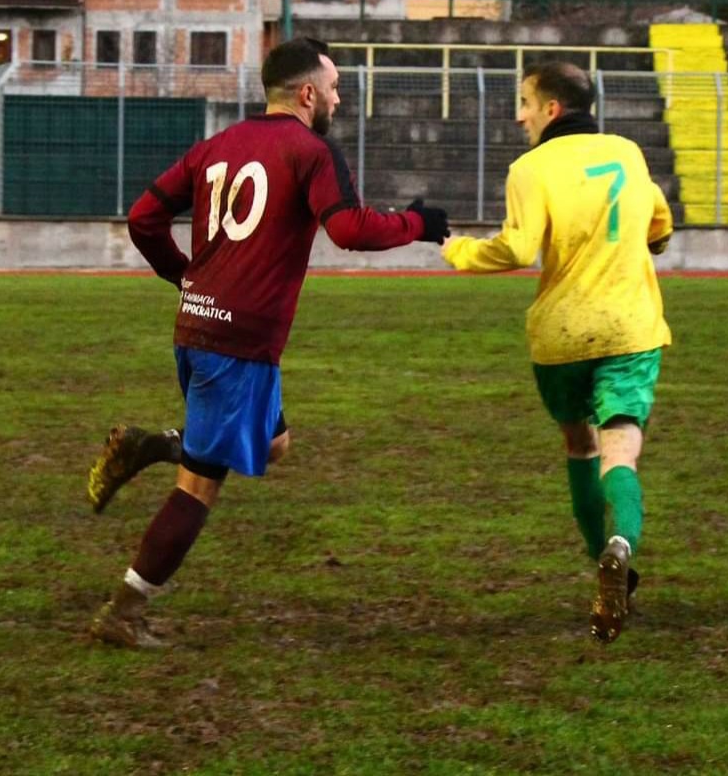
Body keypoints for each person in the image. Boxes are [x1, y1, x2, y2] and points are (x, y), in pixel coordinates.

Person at [89, 37, 450, 648]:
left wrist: (184, 275)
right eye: (334, 88)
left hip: (200, 327)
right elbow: (349, 229)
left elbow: (143, 217)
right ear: (308, 93)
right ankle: (124, 611)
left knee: (273, 445)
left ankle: (152, 445)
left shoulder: (219, 145)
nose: (338, 98)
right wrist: (417, 223)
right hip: (238, 343)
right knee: (200, 486)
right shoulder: (312, 150)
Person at [441, 60, 672, 644]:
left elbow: (517, 248)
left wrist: (457, 250)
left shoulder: (530, 168)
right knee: (621, 453)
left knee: (578, 445)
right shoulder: (627, 151)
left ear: (551, 109)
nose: (518, 115)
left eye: (524, 101)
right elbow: (659, 226)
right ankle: (622, 545)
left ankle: (605, 562)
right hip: (629, 327)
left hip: (562, 334)